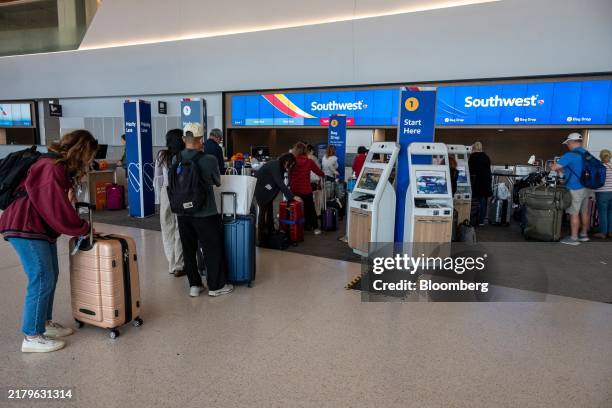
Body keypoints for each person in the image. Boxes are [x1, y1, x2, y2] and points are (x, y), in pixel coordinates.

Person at [0, 130, 97, 353]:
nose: (91, 160)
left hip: (37, 227)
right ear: (81, 150)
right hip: (25, 226)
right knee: (41, 278)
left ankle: (44, 323)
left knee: (50, 275)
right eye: (90, 154)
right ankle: (32, 336)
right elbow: (55, 208)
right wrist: (82, 228)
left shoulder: (57, 167)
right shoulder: (49, 167)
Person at [175, 123, 233, 297]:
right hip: (205, 212)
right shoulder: (209, 159)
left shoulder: (175, 158)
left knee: (188, 249)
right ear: (201, 140)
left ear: (184, 139)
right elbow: (217, 181)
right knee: (211, 248)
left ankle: (194, 285)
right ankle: (215, 286)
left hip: (182, 213)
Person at [551, 133, 593, 245]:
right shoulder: (587, 154)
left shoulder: (570, 155)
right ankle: (584, 235)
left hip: (575, 188)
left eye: (568, 143)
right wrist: (563, 171)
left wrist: (553, 165)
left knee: (574, 213)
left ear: (572, 142)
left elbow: (555, 167)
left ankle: (574, 238)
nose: (567, 145)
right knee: (584, 212)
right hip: (586, 187)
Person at [155, 129, 186, 277]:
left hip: (165, 193)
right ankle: (179, 264)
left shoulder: (162, 155)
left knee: (167, 228)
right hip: (181, 192)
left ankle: (171, 263)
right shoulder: (183, 155)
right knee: (180, 228)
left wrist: (158, 198)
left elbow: (158, 178)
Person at [255, 153, 302, 245]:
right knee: (263, 212)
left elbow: (279, 183)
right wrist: (292, 196)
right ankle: (261, 239)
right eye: (290, 164)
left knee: (269, 210)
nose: (290, 167)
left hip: (267, 188)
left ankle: (270, 232)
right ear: (287, 161)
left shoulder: (280, 167)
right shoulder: (275, 165)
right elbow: (280, 183)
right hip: (261, 188)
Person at [289, 142, 325, 234]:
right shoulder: (309, 161)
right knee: (310, 209)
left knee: (294, 209)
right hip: (306, 189)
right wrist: (323, 175)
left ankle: (294, 227)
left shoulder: (292, 161)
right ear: (305, 151)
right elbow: (319, 172)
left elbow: (289, 174)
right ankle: (315, 228)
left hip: (294, 190)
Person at [468, 141, 492, 226]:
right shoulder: (486, 157)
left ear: (474, 148)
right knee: (483, 202)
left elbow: (470, 170)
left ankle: (472, 219)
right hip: (485, 183)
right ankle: (481, 221)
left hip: (476, 183)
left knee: (474, 202)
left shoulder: (472, 157)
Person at [593, 149, 612, 239]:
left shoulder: (599, 167)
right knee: (610, 212)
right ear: (610, 156)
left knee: (602, 213)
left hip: (602, 193)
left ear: (600, 156)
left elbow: (594, 180)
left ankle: (603, 233)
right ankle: (610, 232)